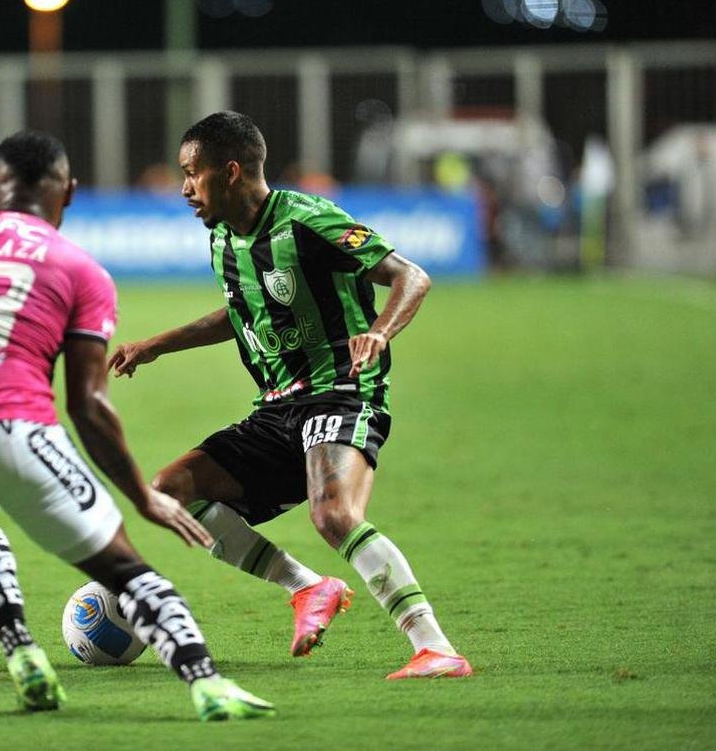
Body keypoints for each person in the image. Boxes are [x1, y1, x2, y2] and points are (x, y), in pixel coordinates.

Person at [0, 130, 273, 720]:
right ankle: (207, 685)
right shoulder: (78, 268)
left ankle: (20, 652)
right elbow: (88, 407)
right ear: (68, 192)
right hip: (15, 434)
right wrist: (142, 496)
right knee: (125, 569)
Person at [109, 111, 472, 680]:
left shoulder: (308, 220)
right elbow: (242, 312)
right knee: (171, 492)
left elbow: (412, 276)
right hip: (278, 408)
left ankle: (436, 648)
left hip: (341, 393)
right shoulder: (225, 240)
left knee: (333, 515)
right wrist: (158, 344)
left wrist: (379, 331)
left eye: (192, 174)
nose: (183, 189)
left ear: (230, 172)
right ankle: (309, 589)